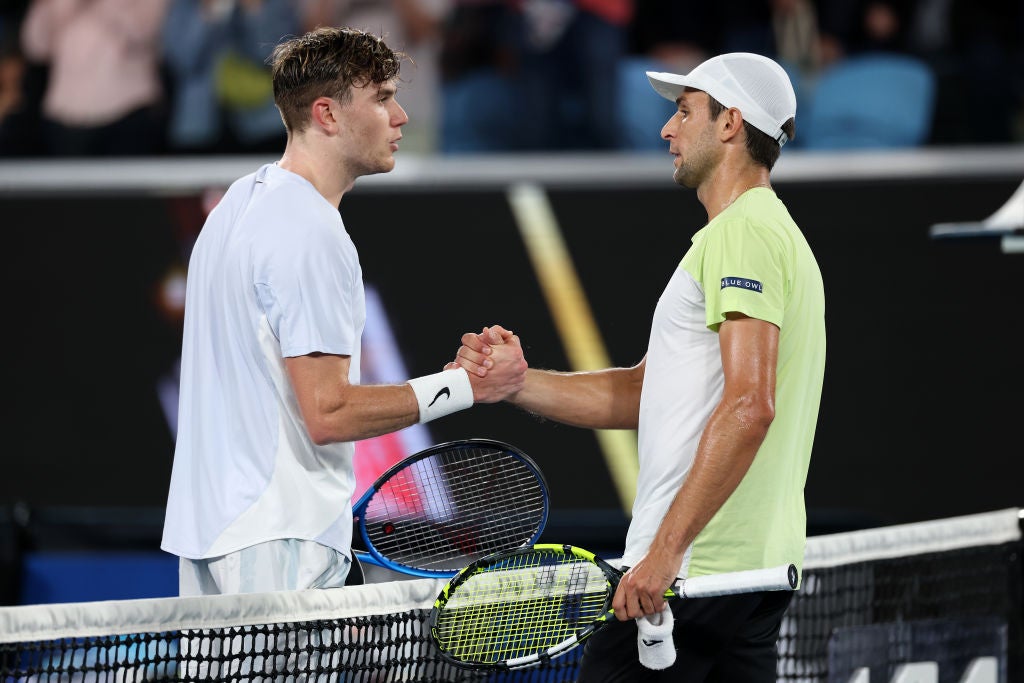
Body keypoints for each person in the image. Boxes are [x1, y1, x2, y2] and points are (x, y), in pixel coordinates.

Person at [456, 52, 825, 681]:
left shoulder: (745, 233)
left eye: (685, 113)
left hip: (692, 580)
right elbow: (640, 391)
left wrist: (664, 554)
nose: (667, 130)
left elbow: (749, 405)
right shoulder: (765, 233)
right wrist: (517, 385)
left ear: (731, 123)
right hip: (745, 575)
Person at [160, 26, 527, 597]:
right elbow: (328, 412)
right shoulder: (309, 229)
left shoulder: (236, 204)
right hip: (278, 542)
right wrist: (465, 388)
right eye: (382, 98)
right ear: (327, 115)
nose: (401, 116)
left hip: (212, 537)